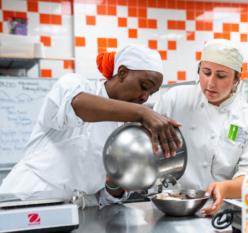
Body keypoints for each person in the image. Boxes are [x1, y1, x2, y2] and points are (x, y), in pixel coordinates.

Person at [0, 44, 181, 204]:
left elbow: (104, 196)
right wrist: (143, 113)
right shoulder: (76, 84)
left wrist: (115, 184)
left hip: (80, 212)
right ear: (123, 72)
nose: (144, 97)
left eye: (151, 92)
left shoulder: (126, 132)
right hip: (27, 198)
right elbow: (77, 106)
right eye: (144, 86)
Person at [153, 39, 248, 215]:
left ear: (237, 78)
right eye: (206, 72)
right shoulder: (175, 100)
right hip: (170, 206)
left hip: (220, 211)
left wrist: (226, 188)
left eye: (221, 76)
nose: (210, 83)